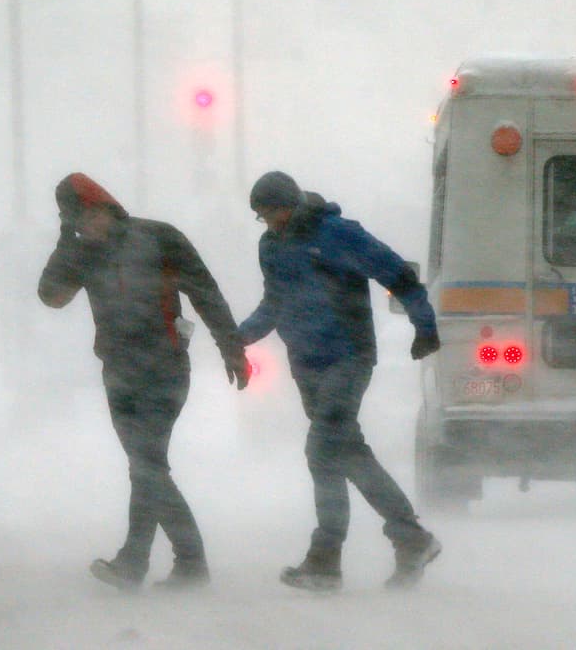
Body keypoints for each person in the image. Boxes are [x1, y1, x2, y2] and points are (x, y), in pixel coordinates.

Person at [38, 173, 250, 591]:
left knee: (147, 466)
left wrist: (232, 347)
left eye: (84, 218)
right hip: (118, 373)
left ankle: (138, 562)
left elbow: (205, 292)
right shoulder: (82, 252)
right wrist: (66, 240)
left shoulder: (159, 238)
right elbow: (51, 295)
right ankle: (185, 564)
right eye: (74, 222)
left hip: (164, 368)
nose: (83, 228)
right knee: (146, 468)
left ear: (103, 207)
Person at [238, 171, 443, 592]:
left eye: (272, 213)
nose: (269, 222)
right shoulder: (271, 246)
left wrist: (425, 325)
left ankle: (325, 559)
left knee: (321, 448)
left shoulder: (335, 233)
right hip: (306, 363)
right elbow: (273, 303)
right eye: (262, 217)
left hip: (348, 357)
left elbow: (397, 273)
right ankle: (409, 540)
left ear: (291, 204)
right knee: (344, 453)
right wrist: (236, 338)